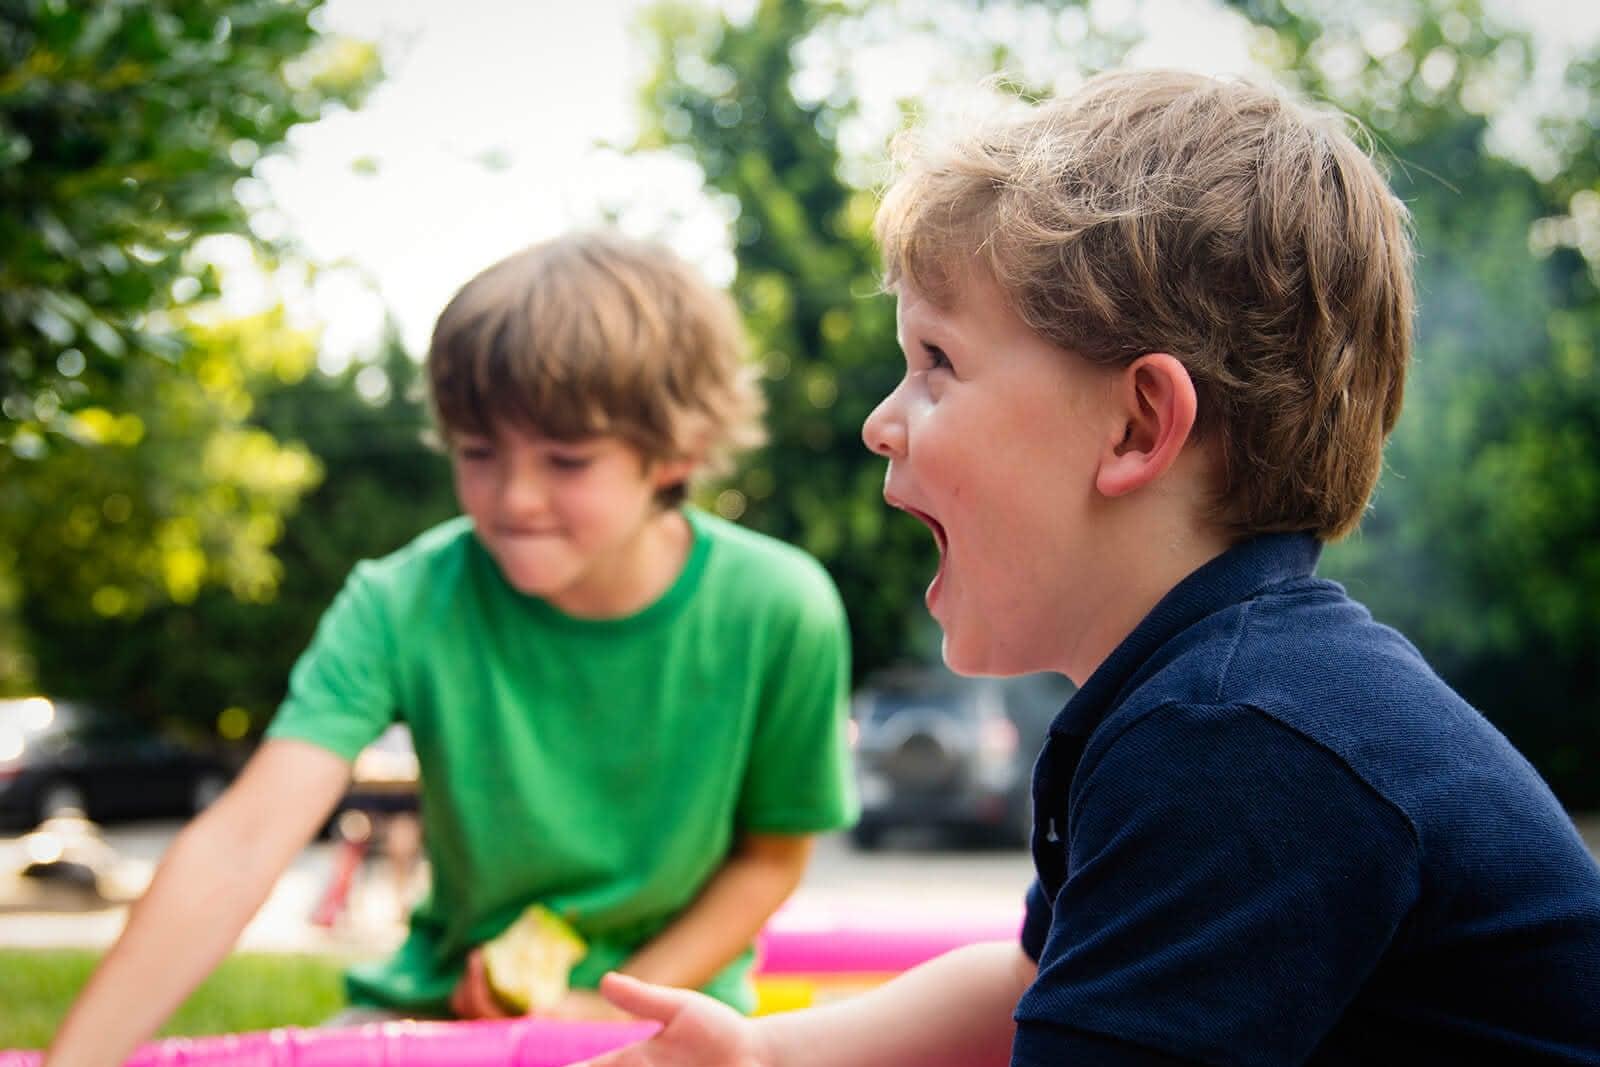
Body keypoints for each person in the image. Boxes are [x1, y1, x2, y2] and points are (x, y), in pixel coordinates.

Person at [570, 69, 1600, 1066]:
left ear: (1137, 425)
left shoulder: (1236, 742)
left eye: (937, 362)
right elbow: (1031, 982)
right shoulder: (1215, 693)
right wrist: (768, 1051)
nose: (881, 421)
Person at [44, 232, 858, 1065]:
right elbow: (242, 841)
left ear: (676, 453)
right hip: (438, 1014)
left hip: (673, 1022)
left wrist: (601, 1007)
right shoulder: (401, 600)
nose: (515, 497)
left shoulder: (780, 607)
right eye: (478, 452)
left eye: (567, 459)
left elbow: (770, 857)